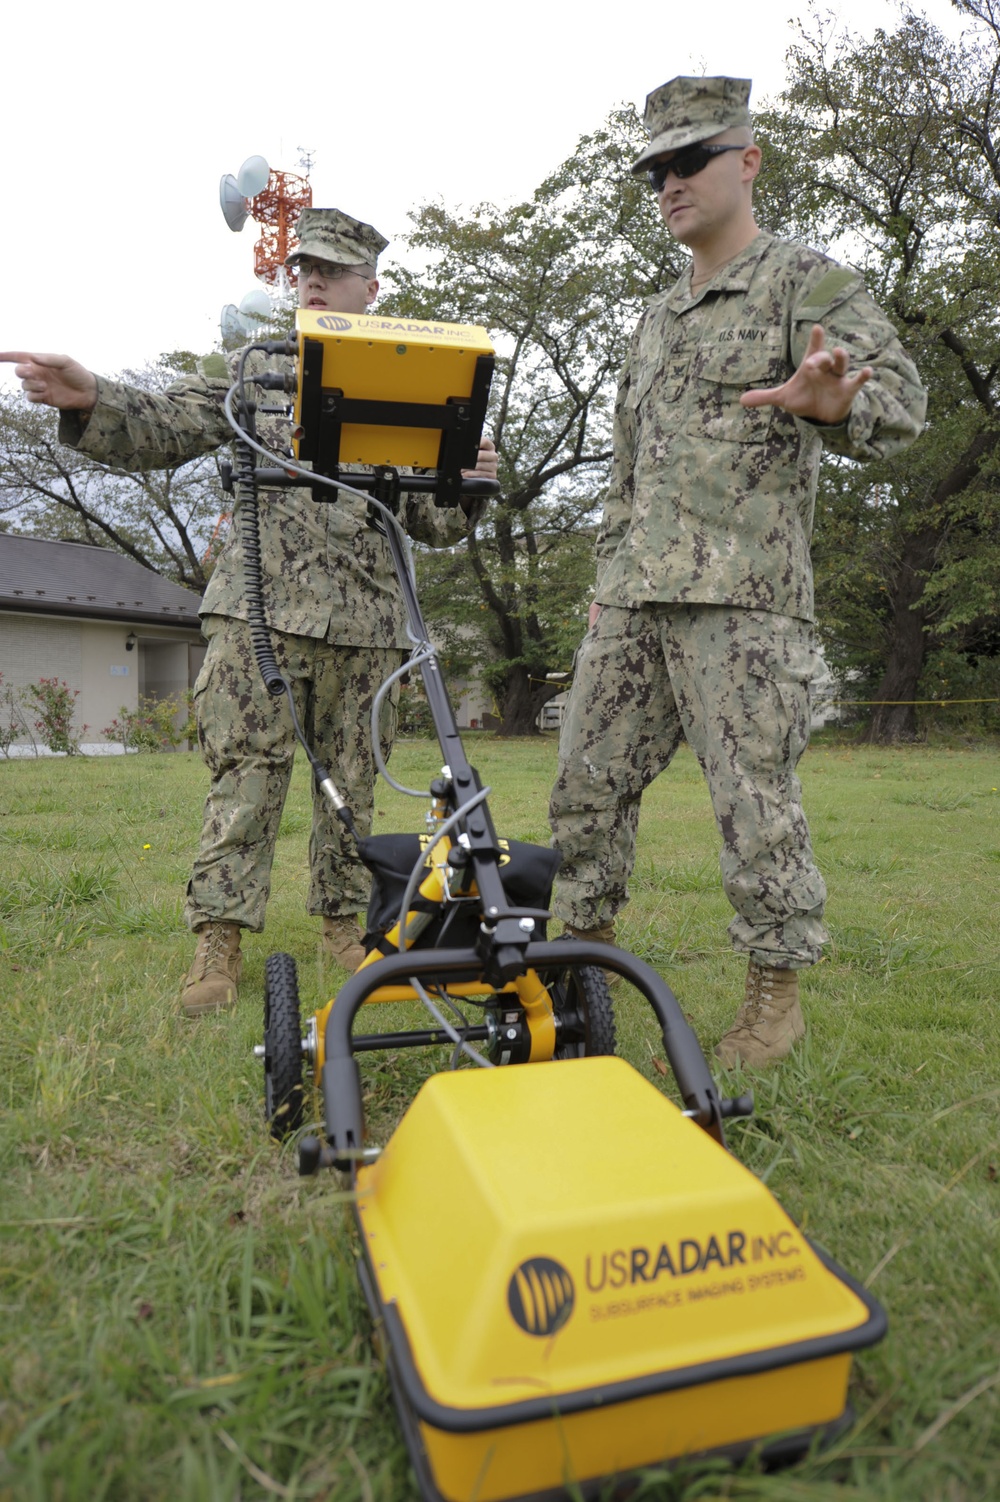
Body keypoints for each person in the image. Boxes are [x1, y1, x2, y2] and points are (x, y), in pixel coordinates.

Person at [3, 207, 497, 1016]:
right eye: (303, 266)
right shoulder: (258, 369)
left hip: (366, 629)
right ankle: (218, 944)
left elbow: (435, 524)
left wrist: (467, 480)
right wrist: (91, 398)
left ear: (370, 287)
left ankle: (345, 929)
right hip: (257, 622)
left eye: (331, 270)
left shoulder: (412, 378)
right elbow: (168, 423)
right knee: (245, 785)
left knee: (353, 791)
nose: (310, 278)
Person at [548, 77, 926, 1067]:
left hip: (742, 598)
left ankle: (772, 995)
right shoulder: (653, 317)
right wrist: (602, 582)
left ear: (747, 160)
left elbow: (902, 403)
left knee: (753, 802)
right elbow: (625, 470)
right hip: (632, 596)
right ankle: (577, 974)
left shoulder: (807, 282)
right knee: (584, 786)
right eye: (655, 169)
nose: (668, 183)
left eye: (689, 160)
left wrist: (836, 405)